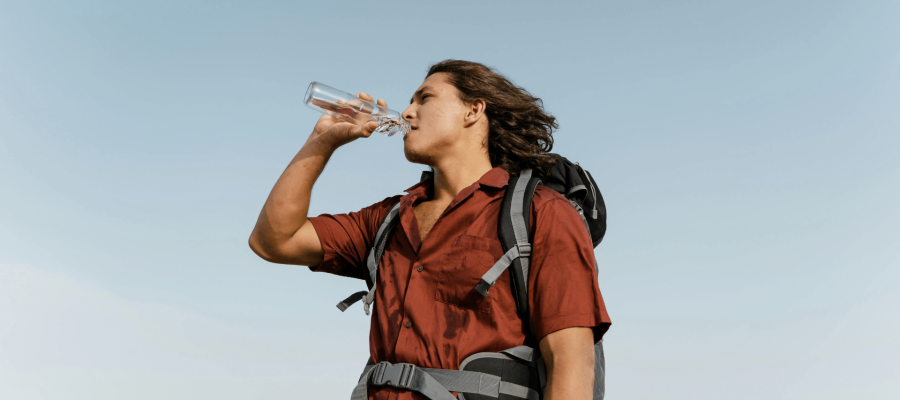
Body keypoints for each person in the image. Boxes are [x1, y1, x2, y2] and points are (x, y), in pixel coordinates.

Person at [249, 60, 611, 400]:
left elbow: (571, 361)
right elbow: (274, 240)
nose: (407, 112)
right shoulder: (388, 218)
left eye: (425, 98)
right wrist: (323, 141)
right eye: (409, 101)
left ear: (474, 111)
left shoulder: (541, 212)